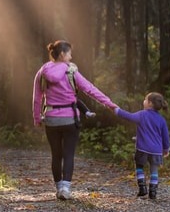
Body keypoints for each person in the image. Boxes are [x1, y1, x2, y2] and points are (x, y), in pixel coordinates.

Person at [32, 40, 119, 200]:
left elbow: (37, 98)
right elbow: (90, 89)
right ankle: (66, 188)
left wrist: (37, 118)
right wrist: (110, 104)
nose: (71, 57)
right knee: (69, 154)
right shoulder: (71, 71)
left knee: (56, 155)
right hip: (70, 119)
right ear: (63, 54)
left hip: (51, 119)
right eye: (70, 53)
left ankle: (58, 188)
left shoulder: (42, 71)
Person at [112, 92, 170, 199]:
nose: (143, 101)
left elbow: (128, 116)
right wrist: (166, 149)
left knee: (139, 166)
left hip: (142, 148)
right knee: (154, 169)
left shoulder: (142, 114)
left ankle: (142, 187)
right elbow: (165, 136)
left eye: (145, 99)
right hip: (156, 150)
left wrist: (117, 110)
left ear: (150, 103)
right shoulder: (161, 120)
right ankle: (153, 192)